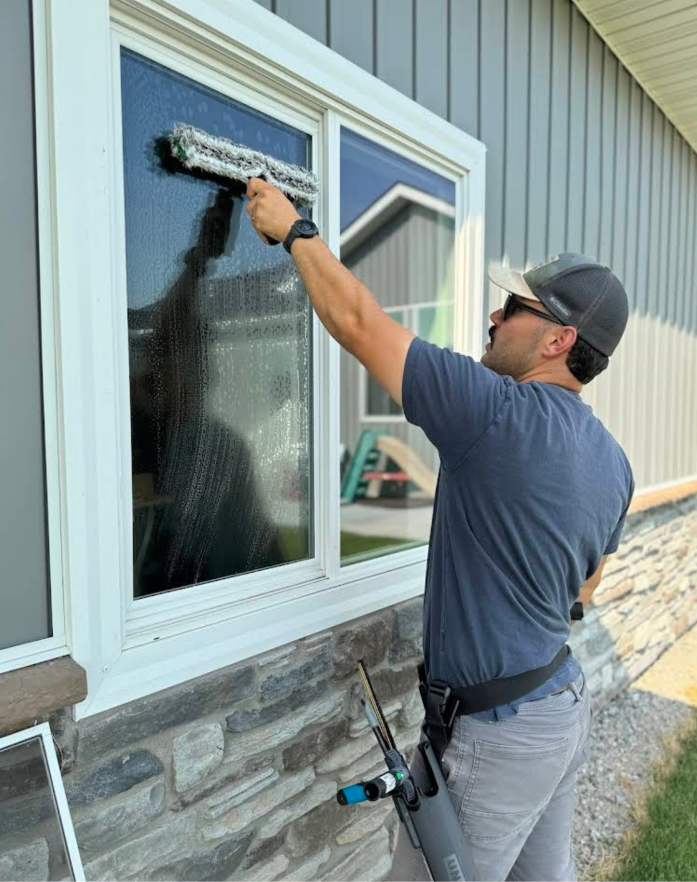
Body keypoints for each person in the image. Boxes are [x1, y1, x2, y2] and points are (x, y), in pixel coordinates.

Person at [246, 177, 634, 882]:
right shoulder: (613, 460)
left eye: (514, 308)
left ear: (559, 338)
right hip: (560, 705)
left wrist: (294, 230)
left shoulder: (493, 411)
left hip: (498, 739)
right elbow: (587, 587)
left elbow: (359, 325)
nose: (493, 314)